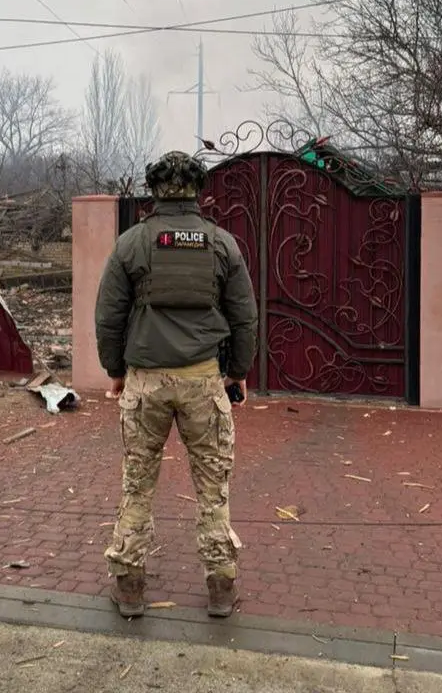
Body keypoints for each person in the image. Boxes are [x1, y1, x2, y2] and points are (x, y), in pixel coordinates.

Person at [94, 150, 258, 618]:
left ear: (154, 191)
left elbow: (108, 317)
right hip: (203, 382)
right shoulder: (222, 244)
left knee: (137, 484)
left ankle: (129, 587)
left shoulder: (131, 244)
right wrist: (238, 372)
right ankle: (221, 587)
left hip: (145, 384)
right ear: (197, 191)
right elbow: (245, 318)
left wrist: (115, 371)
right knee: (213, 488)